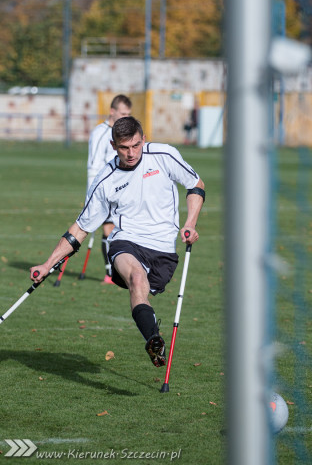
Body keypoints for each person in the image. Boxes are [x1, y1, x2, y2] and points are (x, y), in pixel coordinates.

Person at [30, 117, 205, 368]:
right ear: (113, 146)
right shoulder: (106, 180)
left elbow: (196, 185)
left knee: (144, 287)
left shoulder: (164, 154)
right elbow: (80, 228)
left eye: (135, 145)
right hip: (127, 240)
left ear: (143, 139)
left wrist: (190, 224)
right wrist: (48, 264)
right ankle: (153, 339)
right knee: (135, 278)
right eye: (124, 148)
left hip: (163, 248)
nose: (131, 153)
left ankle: (153, 339)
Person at [87, 94, 132, 284]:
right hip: (104, 190)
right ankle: (110, 274)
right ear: (112, 111)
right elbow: (93, 165)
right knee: (110, 229)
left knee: (120, 229)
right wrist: (92, 194)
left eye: (128, 114)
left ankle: (118, 272)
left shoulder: (121, 133)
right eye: (122, 113)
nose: (125, 117)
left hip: (122, 188)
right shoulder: (101, 133)